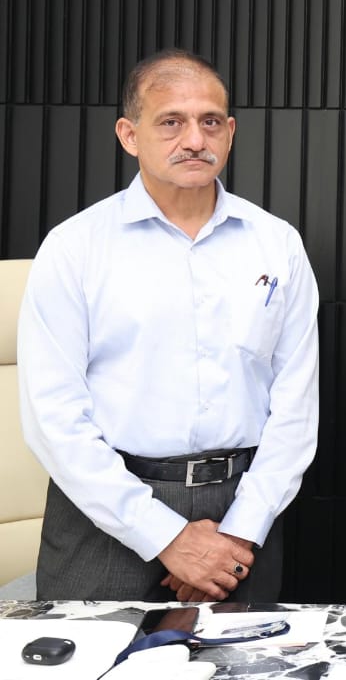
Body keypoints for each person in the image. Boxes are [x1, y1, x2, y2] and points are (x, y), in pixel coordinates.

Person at [17, 49, 320, 603]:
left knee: (238, 653)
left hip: (242, 511)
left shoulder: (276, 243)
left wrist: (240, 531)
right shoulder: (75, 247)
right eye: (171, 122)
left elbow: (295, 405)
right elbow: (52, 416)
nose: (195, 140)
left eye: (211, 122)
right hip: (105, 513)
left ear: (230, 133)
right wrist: (167, 537)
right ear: (130, 135)